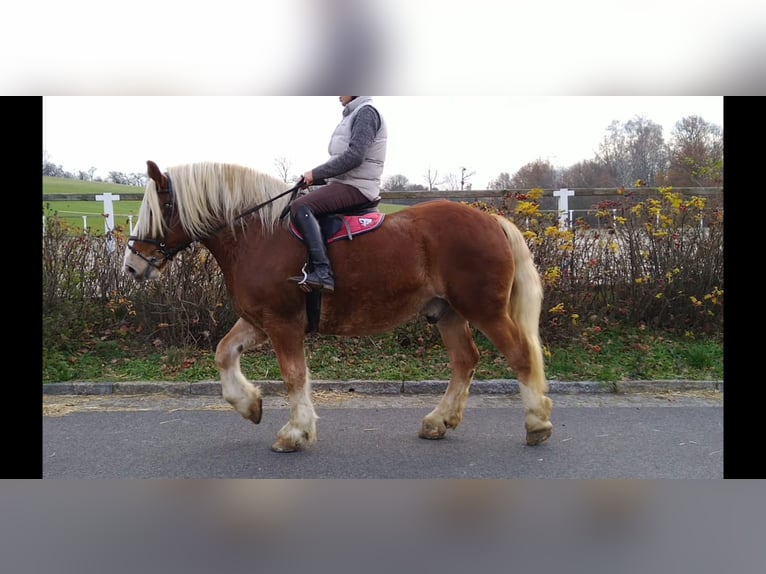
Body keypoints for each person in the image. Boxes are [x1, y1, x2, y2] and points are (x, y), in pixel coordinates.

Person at [288, 96, 388, 293]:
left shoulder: (366, 113)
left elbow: (354, 157)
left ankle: (324, 273)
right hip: (346, 182)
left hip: (358, 186)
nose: (338, 95)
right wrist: (313, 179)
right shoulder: (352, 115)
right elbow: (342, 162)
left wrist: (315, 173)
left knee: (300, 207)